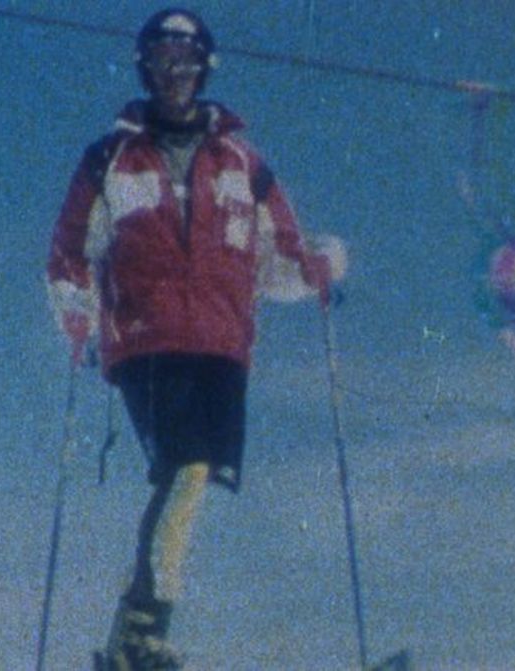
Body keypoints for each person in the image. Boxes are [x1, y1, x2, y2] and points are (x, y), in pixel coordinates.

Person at [46, 8, 346, 669]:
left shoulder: (243, 163)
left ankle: (130, 637)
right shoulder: (111, 158)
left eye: (186, 59)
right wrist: (75, 308)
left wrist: (318, 267)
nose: (174, 72)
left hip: (223, 343)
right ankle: (145, 634)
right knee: (185, 468)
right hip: (146, 338)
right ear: (145, 69)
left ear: (205, 67)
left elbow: (278, 259)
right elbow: (71, 249)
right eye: (161, 59)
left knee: (195, 476)